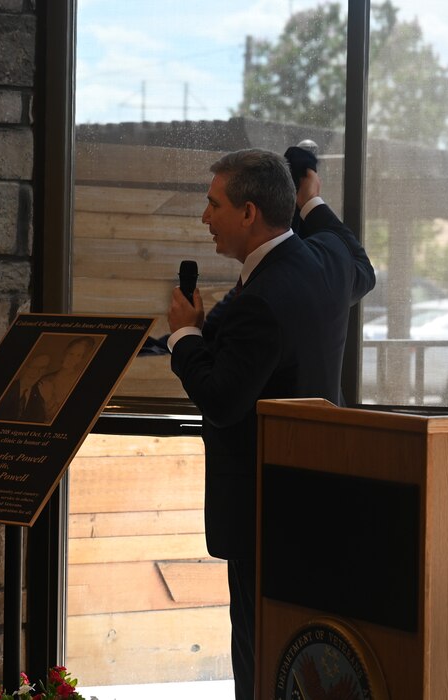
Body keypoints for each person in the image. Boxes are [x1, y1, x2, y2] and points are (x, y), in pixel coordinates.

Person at [166, 149, 375, 700]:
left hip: (261, 511)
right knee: (298, 657)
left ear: (248, 213)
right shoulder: (328, 264)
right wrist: (312, 200)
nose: (203, 217)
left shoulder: (255, 303)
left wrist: (185, 336)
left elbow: (221, 400)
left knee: (259, 661)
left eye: (213, 204)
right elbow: (363, 264)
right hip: (317, 505)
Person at [0, 352, 51, 422]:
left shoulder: (42, 394)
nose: (36, 372)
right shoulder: (7, 388)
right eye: (33, 367)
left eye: (42, 368)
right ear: (24, 366)